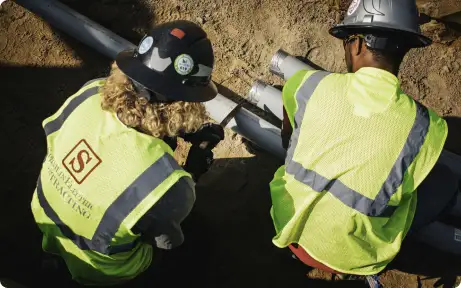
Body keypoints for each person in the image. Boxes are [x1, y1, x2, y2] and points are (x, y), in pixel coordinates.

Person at [270, 0, 461, 278]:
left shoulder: (304, 84)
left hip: (289, 223)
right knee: (442, 182)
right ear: (406, 49)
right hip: (354, 256)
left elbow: (289, 141)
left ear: (356, 45)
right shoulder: (427, 127)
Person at [31, 20, 224, 285]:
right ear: (184, 105)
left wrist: (172, 130)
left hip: (46, 217)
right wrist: (193, 172)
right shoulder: (168, 187)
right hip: (98, 267)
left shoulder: (90, 92)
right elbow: (163, 241)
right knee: (198, 242)